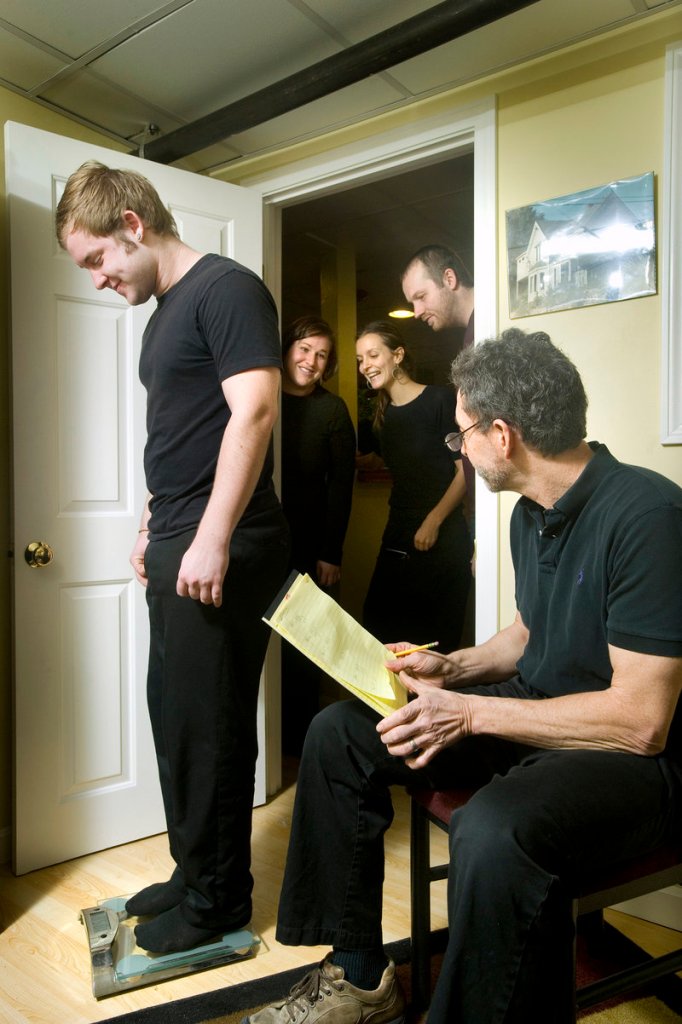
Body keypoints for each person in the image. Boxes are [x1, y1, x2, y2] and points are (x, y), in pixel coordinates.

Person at [245, 328, 682, 1024]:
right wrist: (453, 666)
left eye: (461, 436)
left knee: (491, 829)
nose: (460, 449)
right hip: (537, 713)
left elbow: (641, 721)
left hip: (625, 757)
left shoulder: (647, 516)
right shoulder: (528, 515)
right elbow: (529, 632)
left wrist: (471, 712)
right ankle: (361, 977)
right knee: (342, 732)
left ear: (500, 434)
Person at [56, 161, 290, 955]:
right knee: (178, 719)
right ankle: (194, 873)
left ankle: (219, 901)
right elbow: (182, 434)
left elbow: (253, 412)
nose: (94, 279)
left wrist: (213, 536)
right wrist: (152, 521)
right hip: (180, 539)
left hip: (223, 546)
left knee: (212, 728)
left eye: (95, 260)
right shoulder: (164, 315)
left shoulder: (227, 290)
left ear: (131, 223)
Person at [356, 320, 471, 654]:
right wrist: (374, 463)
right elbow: (413, 465)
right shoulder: (385, 417)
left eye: (372, 354)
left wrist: (433, 521)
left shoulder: (438, 401)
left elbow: (465, 469)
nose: (365, 365)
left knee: (431, 645)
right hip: (399, 533)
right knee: (378, 627)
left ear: (398, 355)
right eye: (360, 359)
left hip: (442, 537)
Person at [280, 315, 356, 752]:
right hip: (264, 540)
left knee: (306, 645)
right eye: (305, 349)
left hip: (312, 545)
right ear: (289, 347)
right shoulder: (262, 394)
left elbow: (341, 487)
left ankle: (299, 747)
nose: (311, 361)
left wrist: (332, 552)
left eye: (321, 355)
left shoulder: (332, 409)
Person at [401, 243, 475, 343]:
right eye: (412, 303)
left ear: (449, 279)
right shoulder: (474, 333)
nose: (417, 313)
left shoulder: (490, 325)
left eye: (421, 296)